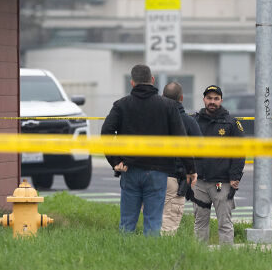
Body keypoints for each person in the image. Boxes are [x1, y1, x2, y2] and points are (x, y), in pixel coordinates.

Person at [101, 64, 197, 236]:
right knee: (153, 222)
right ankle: (151, 260)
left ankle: (122, 261)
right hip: (158, 171)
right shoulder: (168, 106)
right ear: (152, 80)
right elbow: (181, 140)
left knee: (127, 223)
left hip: (129, 170)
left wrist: (115, 161)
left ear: (132, 82)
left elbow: (106, 132)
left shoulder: (121, 105)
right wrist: (190, 169)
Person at [192, 85, 244, 245]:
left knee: (225, 224)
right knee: (200, 224)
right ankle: (198, 258)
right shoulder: (194, 121)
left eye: (216, 98)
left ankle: (227, 261)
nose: (212, 102)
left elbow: (240, 152)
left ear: (221, 100)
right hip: (199, 183)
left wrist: (235, 177)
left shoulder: (231, 124)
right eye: (209, 98)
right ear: (204, 100)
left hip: (223, 184)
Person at [161, 81, 202, 235]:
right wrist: (191, 169)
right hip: (175, 178)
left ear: (162, 97)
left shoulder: (154, 119)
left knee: (151, 222)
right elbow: (200, 151)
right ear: (182, 98)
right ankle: (162, 257)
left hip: (151, 176)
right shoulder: (189, 122)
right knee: (169, 226)